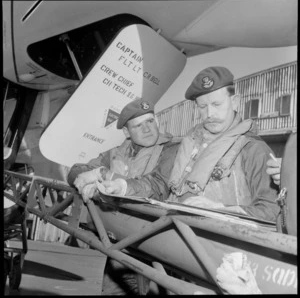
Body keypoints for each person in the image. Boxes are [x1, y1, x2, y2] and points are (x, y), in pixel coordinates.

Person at [103, 67, 281, 222]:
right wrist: (123, 187)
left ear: (235, 102)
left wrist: (220, 210)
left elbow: (272, 210)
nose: (210, 113)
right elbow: (158, 185)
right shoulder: (187, 145)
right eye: (202, 107)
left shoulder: (253, 149)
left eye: (217, 104)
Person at [67, 97, 180, 295]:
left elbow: (157, 184)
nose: (147, 129)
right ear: (127, 132)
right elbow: (76, 170)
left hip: (156, 246)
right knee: (113, 290)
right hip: (119, 242)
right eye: (138, 126)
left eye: (150, 121)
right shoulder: (116, 153)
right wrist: (88, 180)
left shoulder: (172, 149)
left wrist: (103, 175)